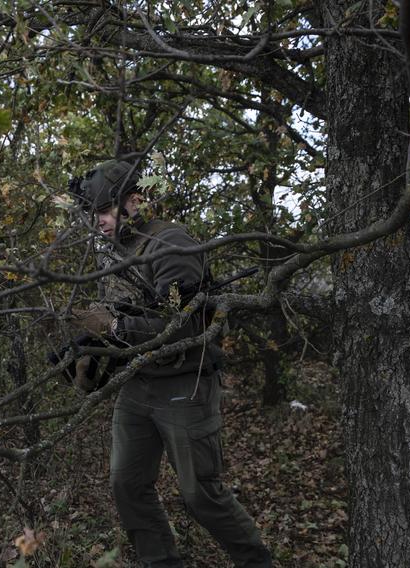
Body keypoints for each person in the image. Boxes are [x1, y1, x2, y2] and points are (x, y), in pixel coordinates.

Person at [68, 160, 273, 567]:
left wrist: (116, 324)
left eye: (105, 212)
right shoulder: (116, 252)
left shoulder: (171, 245)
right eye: (93, 215)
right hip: (138, 384)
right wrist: (92, 351)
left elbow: (180, 326)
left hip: (185, 385)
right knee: (127, 485)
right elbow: (119, 316)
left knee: (200, 494)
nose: (99, 223)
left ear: (135, 201)